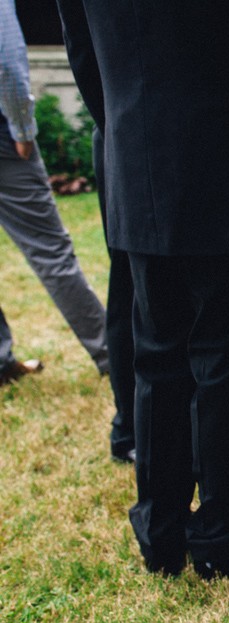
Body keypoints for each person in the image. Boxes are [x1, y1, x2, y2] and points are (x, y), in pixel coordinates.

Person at [56, 0, 229, 578]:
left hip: (138, 165)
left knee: (157, 360)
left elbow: (82, 52)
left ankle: (161, 533)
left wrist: (130, 137)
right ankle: (224, 538)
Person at [0, 0, 108, 383]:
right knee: (49, 249)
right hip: (4, 139)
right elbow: (7, 57)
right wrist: (23, 129)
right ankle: (112, 353)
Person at [55, 1, 136, 464]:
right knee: (130, 286)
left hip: (120, 125)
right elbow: (80, 45)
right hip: (122, 127)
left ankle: (136, 425)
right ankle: (129, 426)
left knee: (131, 285)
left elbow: (78, 45)